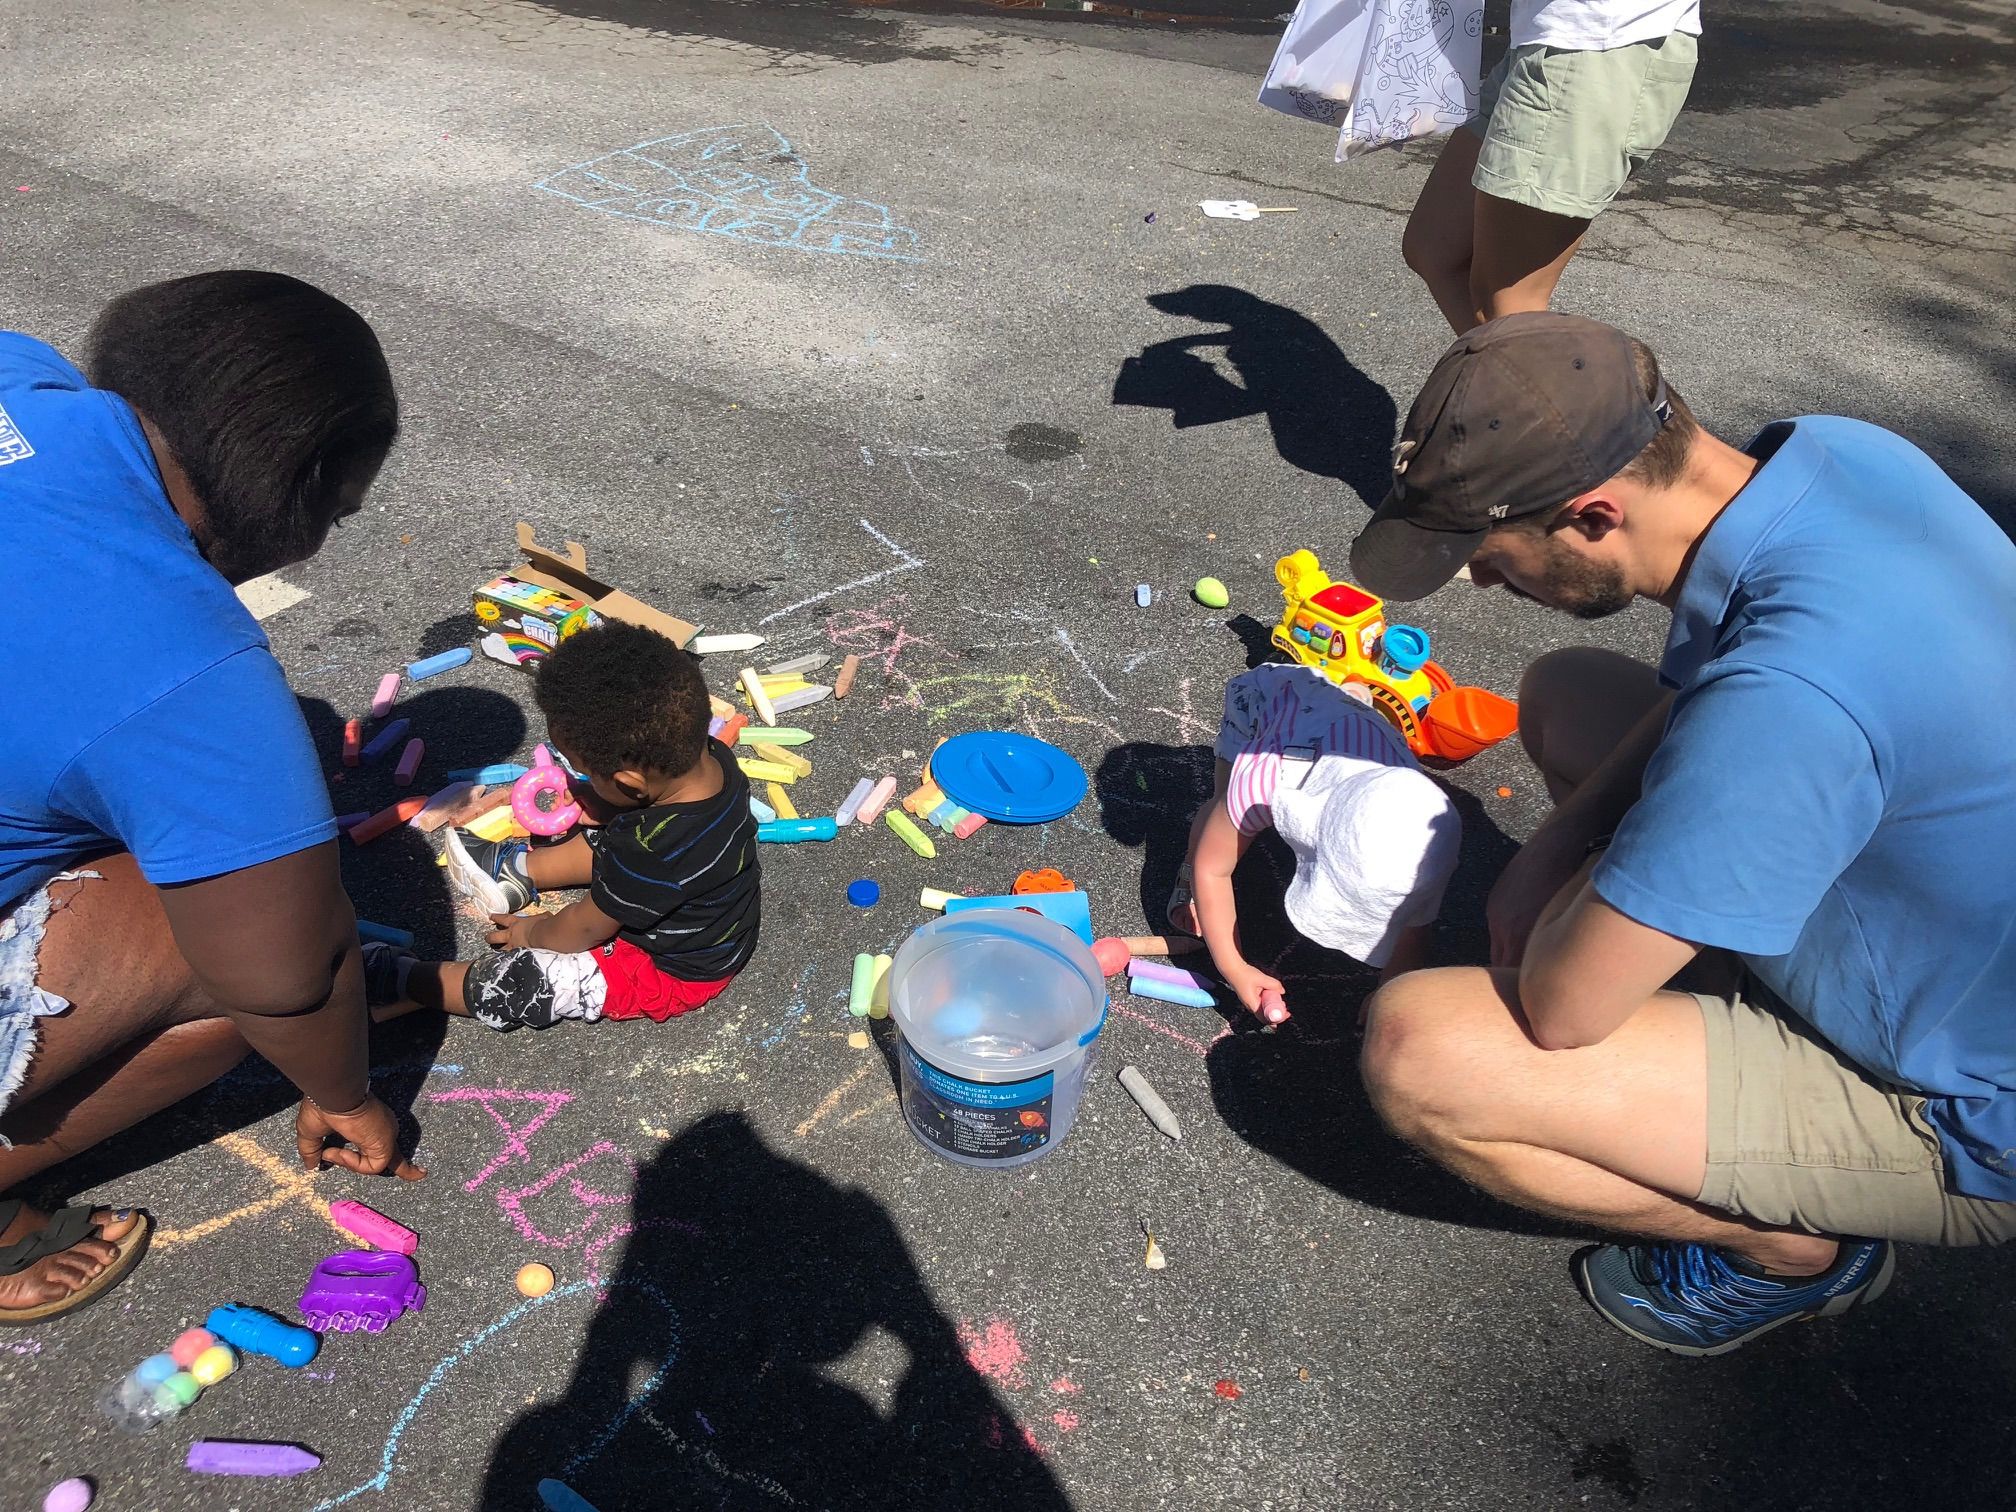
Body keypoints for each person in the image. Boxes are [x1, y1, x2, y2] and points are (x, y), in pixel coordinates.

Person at [1347, 311, 2016, 1355]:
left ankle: (1796, 1255)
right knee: (1563, 695)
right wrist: (1554, 848)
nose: (1481, 579)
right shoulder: (1839, 456)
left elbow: (1563, 1010)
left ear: (1596, 515)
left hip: (1969, 1102)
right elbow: (1738, 681)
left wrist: (1563, 908)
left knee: (1426, 1052)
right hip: (1947, 924)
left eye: (1491, 552)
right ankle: (1712, 989)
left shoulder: (1790, 702)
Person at [0, 270, 420, 1323]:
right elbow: (290, 980)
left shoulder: (18, 375)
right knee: (229, 950)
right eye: (338, 508)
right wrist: (346, 1092)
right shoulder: (188, 668)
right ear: (295, 484)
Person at [371, 622, 761, 1032]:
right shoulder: (711, 759)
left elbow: (586, 926)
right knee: (612, 834)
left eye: (586, 771)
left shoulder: (652, 848)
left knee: (521, 983)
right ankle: (518, 874)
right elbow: (645, 838)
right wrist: (608, 804)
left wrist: (532, 933)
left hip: (668, 971)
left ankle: (403, 980)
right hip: (709, 915)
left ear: (631, 784)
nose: (580, 778)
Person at [1169, 664, 1461, 1020]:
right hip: (1269, 698)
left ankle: (1349, 695)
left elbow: (1416, 922)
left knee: (1342, 708)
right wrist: (1234, 966)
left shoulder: (1423, 826)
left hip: (1362, 731)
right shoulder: (1264, 780)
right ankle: (1184, 880)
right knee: (1220, 808)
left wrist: (1391, 998)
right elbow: (1212, 869)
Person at [1401, 0, 1701, 334]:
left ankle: (1548, 383)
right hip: (1547, 39)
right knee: (1435, 250)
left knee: (1508, 306)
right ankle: (1513, 381)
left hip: (1594, 45)